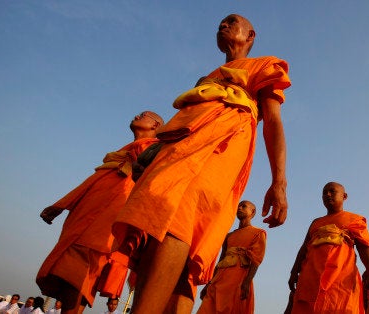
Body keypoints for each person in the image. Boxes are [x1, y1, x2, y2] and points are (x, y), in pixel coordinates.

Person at [112, 13, 291, 314]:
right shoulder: (208, 78)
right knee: (158, 231)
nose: (223, 25)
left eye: (232, 21)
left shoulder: (263, 65)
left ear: (250, 36)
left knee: (179, 222)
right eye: (220, 23)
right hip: (179, 149)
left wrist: (279, 182)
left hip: (221, 148)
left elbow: (272, 122)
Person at [36, 111, 163, 314]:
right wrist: (61, 205)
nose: (137, 115)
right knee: (73, 272)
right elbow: (94, 181)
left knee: (80, 268)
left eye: (144, 115)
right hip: (86, 211)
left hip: (108, 216)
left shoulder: (152, 148)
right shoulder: (124, 152)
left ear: (155, 125)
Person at [286, 182, 369, 314]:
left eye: (332, 191)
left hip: (341, 275)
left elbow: (364, 246)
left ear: (344, 196)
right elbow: (304, 248)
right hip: (310, 275)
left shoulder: (353, 219)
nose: (327, 194)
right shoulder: (316, 222)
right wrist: (294, 271)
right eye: (324, 192)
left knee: (339, 306)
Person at [196, 200, 267, 314]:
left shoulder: (258, 233)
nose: (239, 208)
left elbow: (256, 260)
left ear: (252, 212)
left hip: (238, 279)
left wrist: (247, 282)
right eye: (238, 206)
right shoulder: (229, 236)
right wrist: (209, 283)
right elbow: (221, 260)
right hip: (220, 278)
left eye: (244, 206)